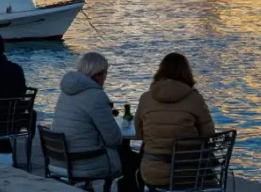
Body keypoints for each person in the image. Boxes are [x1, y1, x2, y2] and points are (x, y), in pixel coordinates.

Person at [52, 52, 139, 189]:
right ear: (98, 75)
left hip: (58, 159)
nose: (105, 78)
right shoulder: (96, 95)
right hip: (84, 162)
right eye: (105, 74)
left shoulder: (66, 91)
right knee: (134, 161)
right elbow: (114, 139)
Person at [135, 53, 215, 187]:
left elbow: (139, 134)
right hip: (188, 173)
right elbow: (209, 134)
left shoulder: (146, 99)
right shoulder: (195, 99)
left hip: (152, 172)